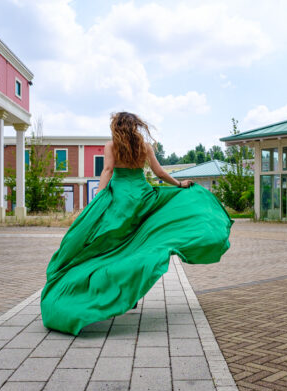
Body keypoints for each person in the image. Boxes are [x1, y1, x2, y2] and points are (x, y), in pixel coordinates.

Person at [40, 112, 233, 335]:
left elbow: (108, 171)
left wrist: (100, 199)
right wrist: (179, 184)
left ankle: (107, 294)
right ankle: (127, 296)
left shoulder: (111, 146)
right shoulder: (145, 147)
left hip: (121, 199)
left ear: (117, 127)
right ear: (135, 127)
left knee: (114, 247)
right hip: (142, 197)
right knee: (135, 248)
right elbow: (159, 172)